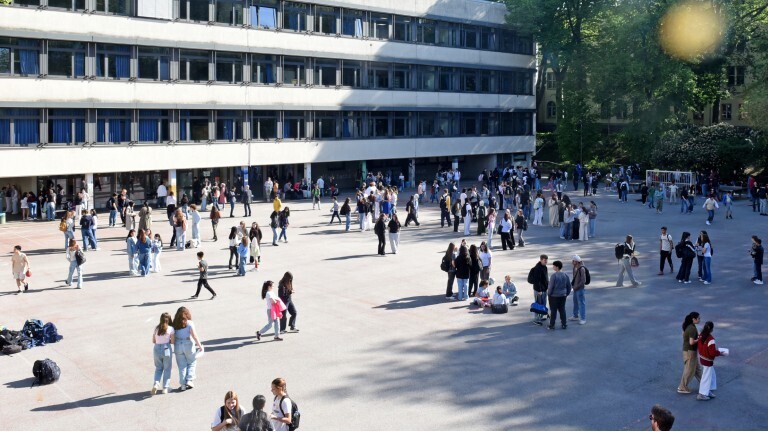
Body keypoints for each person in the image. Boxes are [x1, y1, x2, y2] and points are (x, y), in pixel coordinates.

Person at [172, 307, 204, 391]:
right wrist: (200, 346)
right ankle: (189, 380)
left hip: (178, 345)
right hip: (188, 344)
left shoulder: (174, 324)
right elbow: (194, 336)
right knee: (192, 362)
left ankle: (182, 384)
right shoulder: (189, 323)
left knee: (182, 366)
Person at [697, 321, 723, 401]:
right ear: (712, 329)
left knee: (711, 375)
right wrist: (719, 353)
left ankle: (707, 390)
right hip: (708, 360)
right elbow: (712, 352)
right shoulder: (710, 339)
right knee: (706, 377)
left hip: (702, 358)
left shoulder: (701, 335)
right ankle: (702, 393)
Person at [677, 311, 702, 394]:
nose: (699, 320)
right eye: (698, 318)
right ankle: (682, 387)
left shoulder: (689, 325)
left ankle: (705, 384)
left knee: (697, 369)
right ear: (693, 319)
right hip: (690, 352)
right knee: (689, 370)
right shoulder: (692, 328)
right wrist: (699, 339)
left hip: (689, 351)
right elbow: (691, 342)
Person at [151, 312, 174, 395]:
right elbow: (173, 341)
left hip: (156, 349)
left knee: (158, 368)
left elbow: (153, 341)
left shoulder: (156, 328)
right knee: (167, 369)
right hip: (166, 349)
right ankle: (165, 388)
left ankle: (156, 384)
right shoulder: (170, 329)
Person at [547, 260, 571, 330]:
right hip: (563, 295)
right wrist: (566, 293)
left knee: (553, 311)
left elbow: (551, 287)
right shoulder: (565, 275)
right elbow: (569, 286)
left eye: (554, 266)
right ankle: (564, 324)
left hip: (554, 296)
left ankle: (552, 325)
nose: (553, 267)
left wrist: (549, 294)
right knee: (562, 310)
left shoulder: (554, 276)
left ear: (557, 267)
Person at [529, 255, 549, 325]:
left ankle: (542, 315)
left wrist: (547, 287)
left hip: (544, 289)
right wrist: (539, 290)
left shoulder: (544, 267)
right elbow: (537, 281)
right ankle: (536, 319)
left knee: (543, 303)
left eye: (546, 260)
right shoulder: (537, 268)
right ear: (541, 260)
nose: (546, 261)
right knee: (538, 304)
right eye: (544, 260)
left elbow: (545, 278)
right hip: (539, 290)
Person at [569, 255, 587, 325]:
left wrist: (576, 287)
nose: (572, 262)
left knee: (581, 304)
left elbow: (583, 281)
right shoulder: (574, 268)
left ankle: (583, 319)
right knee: (575, 302)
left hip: (580, 289)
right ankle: (575, 316)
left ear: (576, 261)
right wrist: (573, 286)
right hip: (575, 288)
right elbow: (574, 278)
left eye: (573, 261)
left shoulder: (582, 269)